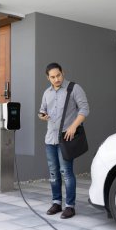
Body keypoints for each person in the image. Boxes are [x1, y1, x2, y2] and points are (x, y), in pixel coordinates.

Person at [38, 63, 89, 219]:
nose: (56, 79)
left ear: (62, 73)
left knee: (66, 172)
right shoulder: (46, 92)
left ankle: (70, 206)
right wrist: (42, 116)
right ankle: (56, 202)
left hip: (66, 138)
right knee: (53, 173)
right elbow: (42, 111)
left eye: (58, 75)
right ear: (48, 78)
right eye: (52, 77)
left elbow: (85, 109)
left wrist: (73, 126)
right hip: (50, 139)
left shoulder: (74, 88)